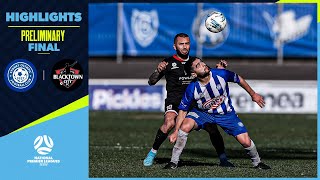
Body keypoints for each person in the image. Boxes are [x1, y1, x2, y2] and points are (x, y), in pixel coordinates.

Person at [143, 33, 234, 167]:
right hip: (174, 101)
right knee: (169, 123)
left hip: (194, 103)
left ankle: (223, 159)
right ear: (175, 46)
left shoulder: (196, 61)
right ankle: (152, 153)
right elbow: (151, 81)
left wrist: (220, 69)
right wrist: (157, 70)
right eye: (181, 44)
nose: (185, 47)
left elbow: (209, 75)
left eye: (187, 43)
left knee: (212, 128)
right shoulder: (168, 63)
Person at [165, 57, 271, 170]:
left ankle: (257, 163)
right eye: (198, 65)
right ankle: (173, 162)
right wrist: (176, 131)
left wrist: (253, 94)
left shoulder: (221, 74)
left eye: (202, 62)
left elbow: (239, 79)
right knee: (185, 126)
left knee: (245, 141)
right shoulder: (192, 88)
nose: (203, 65)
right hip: (203, 113)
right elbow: (183, 110)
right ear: (193, 74)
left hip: (226, 114)